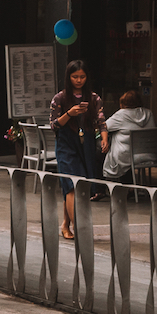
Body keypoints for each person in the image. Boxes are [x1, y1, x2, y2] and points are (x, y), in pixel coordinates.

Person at [50, 60, 108, 239]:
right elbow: (54, 124)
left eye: (82, 77)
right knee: (71, 185)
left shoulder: (93, 98)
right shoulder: (60, 98)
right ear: (68, 77)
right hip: (66, 145)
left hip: (87, 144)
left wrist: (104, 138)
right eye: (75, 77)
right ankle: (80, 229)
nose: (79, 80)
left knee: (81, 185)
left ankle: (66, 224)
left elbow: (101, 120)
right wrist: (70, 114)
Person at [101, 91, 154, 182]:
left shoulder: (121, 114)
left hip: (127, 155)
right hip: (148, 154)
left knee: (104, 148)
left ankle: (103, 186)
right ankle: (130, 186)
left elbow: (104, 126)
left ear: (122, 104)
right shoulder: (148, 113)